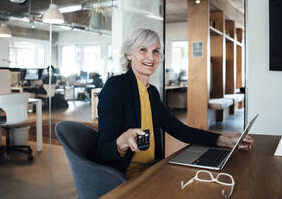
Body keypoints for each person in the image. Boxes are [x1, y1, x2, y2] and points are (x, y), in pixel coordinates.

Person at [97, 28, 253, 179]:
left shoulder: (151, 92)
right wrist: (123, 141)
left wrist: (226, 140)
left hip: (153, 169)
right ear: (129, 54)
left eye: (155, 51)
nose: (151, 58)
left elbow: (180, 131)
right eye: (143, 50)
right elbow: (104, 150)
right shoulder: (116, 86)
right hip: (126, 177)